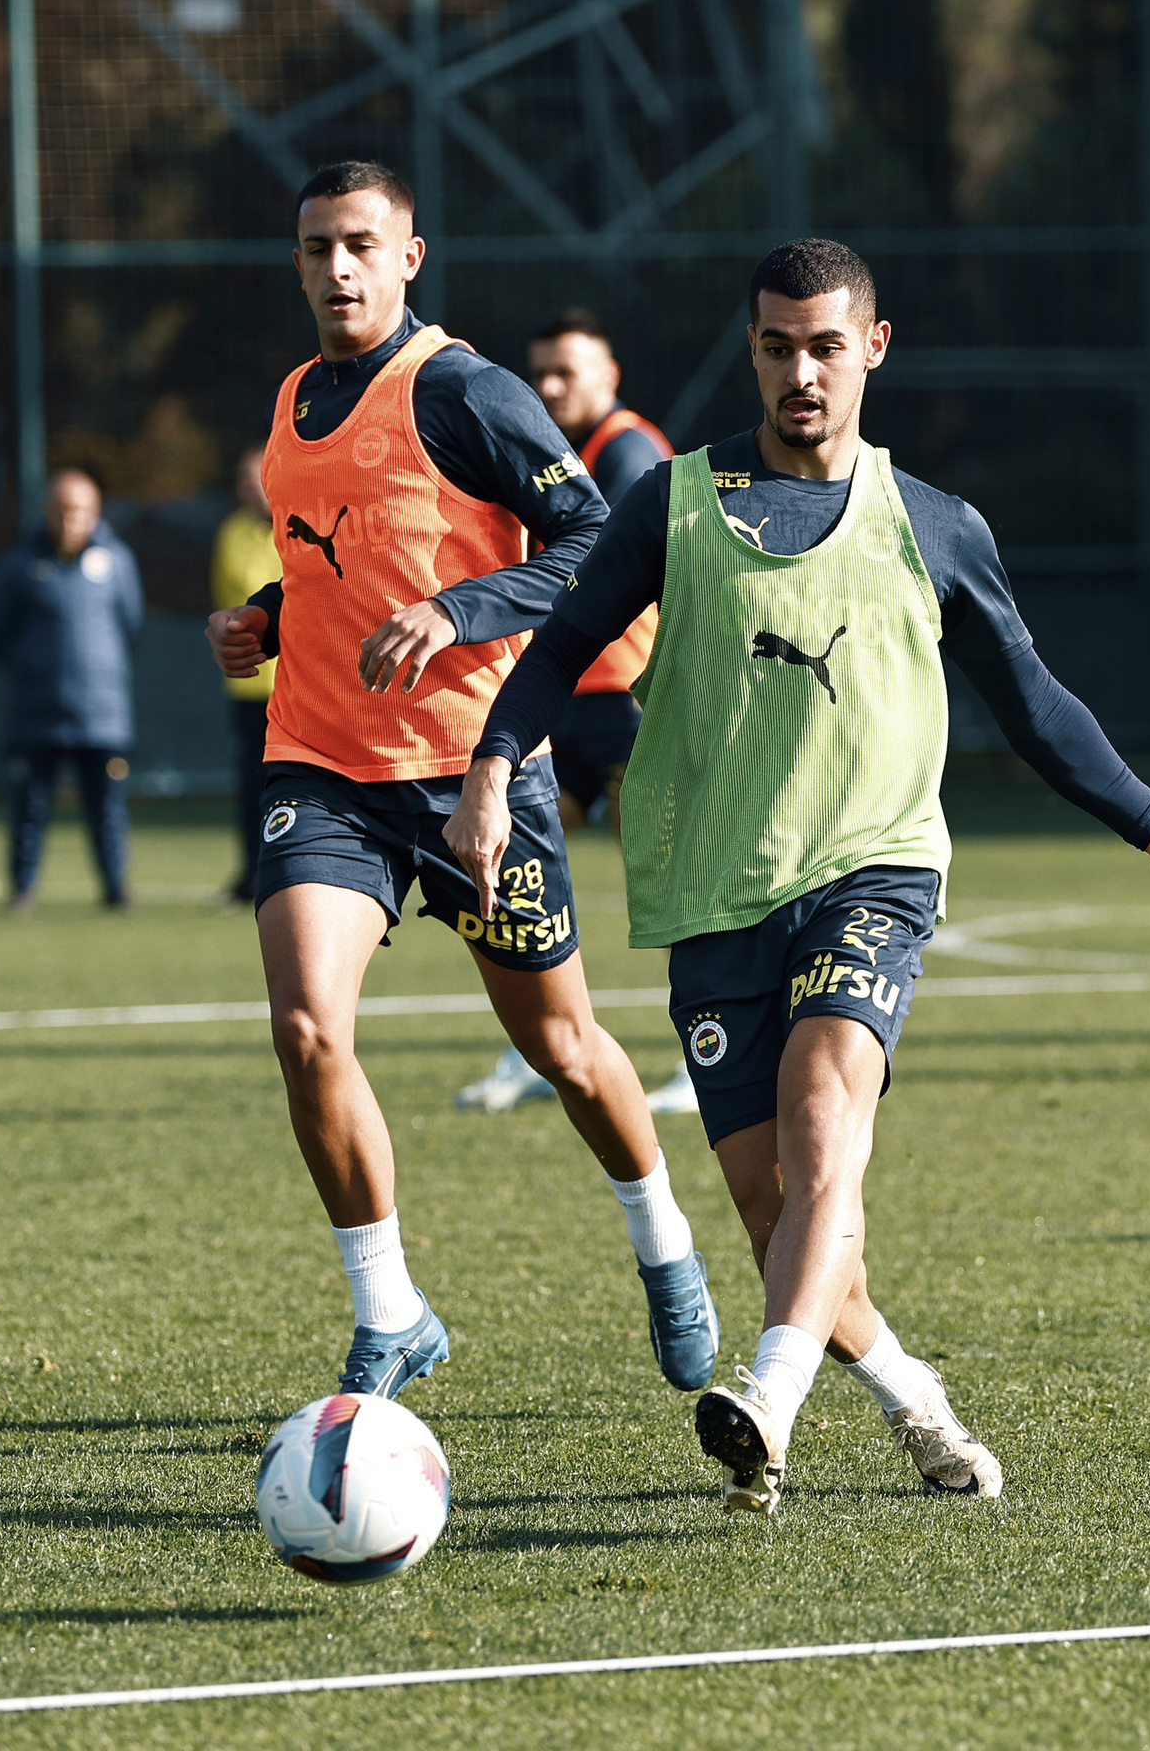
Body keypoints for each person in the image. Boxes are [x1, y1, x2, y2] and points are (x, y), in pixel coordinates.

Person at [447, 239, 1150, 1515]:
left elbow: (1033, 702)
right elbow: (556, 651)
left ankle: (764, 1404)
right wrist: (495, 764)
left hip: (872, 870)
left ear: (872, 347)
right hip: (718, 894)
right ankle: (913, 1398)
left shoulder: (934, 525)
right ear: (753, 349)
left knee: (830, 1110)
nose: (800, 372)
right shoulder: (672, 503)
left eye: (826, 345)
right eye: (777, 346)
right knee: (780, 1217)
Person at [204, 160, 718, 1404]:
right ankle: (392, 1311)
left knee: (564, 1050)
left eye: (361, 245)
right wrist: (273, 616)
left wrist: (456, 611)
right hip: (321, 765)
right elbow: (344, 563)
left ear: (409, 257)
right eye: (319, 247)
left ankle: (667, 1248)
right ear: (297, 264)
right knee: (307, 1026)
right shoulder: (291, 398)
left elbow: (600, 541)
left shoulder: (463, 388)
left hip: (472, 777)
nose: (339, 268)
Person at [456, 307, 697, 1117]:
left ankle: (713, 1055)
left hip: (628, 701)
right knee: (518, 878)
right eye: (541, 373)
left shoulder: (628, 450)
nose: (551, 386)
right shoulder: (556, 457)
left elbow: (602, 570)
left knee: (678, 887)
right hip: (563, 704)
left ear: (610, 375)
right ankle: (540, 1045)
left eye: (568, 371)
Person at [0, 468, 144, 912]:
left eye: (77, 512)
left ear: (94, 514)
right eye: (59, 511)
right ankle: (22, 890)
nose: (68, 520)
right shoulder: (18, 564)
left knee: (108, 807)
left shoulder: (118, 562)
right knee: (30, 807)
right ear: (45, 511)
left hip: (102, 713)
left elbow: (131, 625)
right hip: (37, 711)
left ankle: (116, 890)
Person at [211, 447, 282, 904]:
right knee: (250, 785)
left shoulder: (302, 527)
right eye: (240, 479)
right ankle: (251, 874)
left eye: (251, 476)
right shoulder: (232, 532)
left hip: (297, 686)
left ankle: (284, 873)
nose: (244, 487)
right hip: (249, 686)